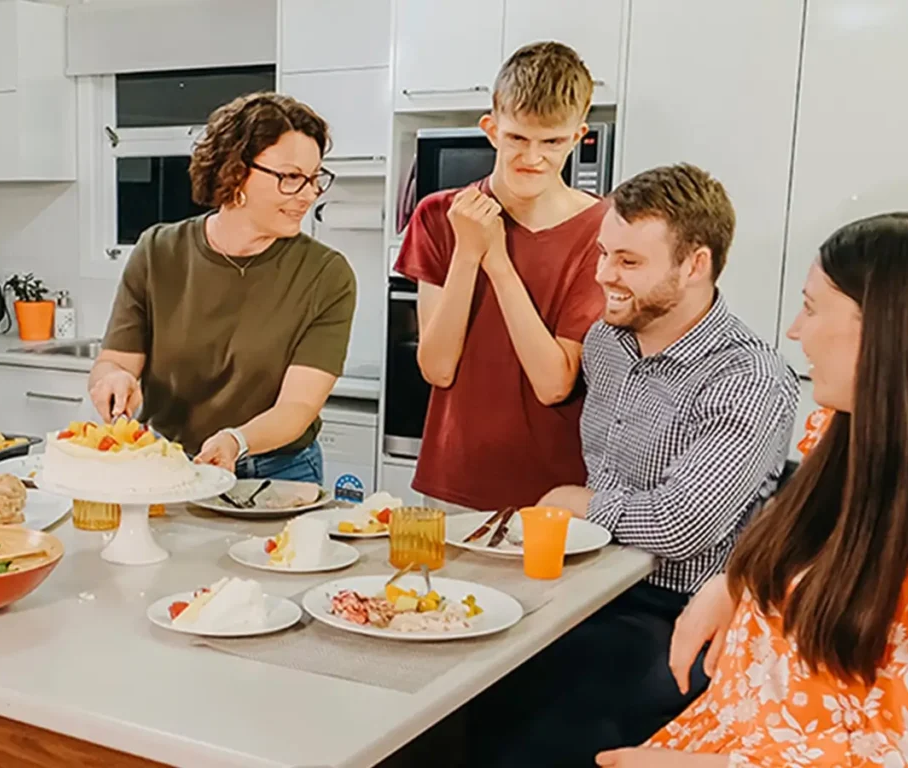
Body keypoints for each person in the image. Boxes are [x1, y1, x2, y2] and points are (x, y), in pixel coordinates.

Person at [597, 211, 908, 767]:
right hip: (721, 734)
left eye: (813, 308)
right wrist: (736, 582)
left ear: (892, 331)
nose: (794, 330)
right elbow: (809, 556)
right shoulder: (844, 437)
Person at [477, 164, 799, 767]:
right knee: (459, 696)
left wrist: (580, 503)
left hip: (675, 613)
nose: (603, 275)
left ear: (695, 265)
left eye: (628, 261)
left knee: (532, 740)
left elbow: (681, 526)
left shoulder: (747, 379)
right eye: (604, 253)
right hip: (585, 589)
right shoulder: (607, 341)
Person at [88, 92, 355, 484]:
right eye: (292, 177)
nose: (310, 194)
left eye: (315, 178)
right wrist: (112, 379)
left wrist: (236, 440)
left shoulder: (327, 274)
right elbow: (115, 362)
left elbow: (298, 406)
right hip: (165, 463)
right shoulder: (158, 251)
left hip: (276, 473)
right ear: (235, 173)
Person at [393, 41, 607, 514]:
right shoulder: (437, 216)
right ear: (491, 130)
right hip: (453, 481)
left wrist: (497, 261)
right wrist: (467, 254)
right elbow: (437, 368)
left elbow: (554, 383)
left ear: (577, 137)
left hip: (556, 492)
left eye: (551, 142)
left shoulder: (605, 231)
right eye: (517, 139)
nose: (533, 158)